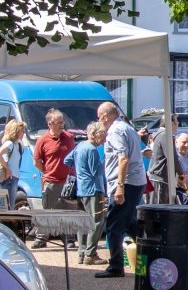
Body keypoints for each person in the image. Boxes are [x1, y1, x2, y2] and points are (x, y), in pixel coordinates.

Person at [95, 102, 148, 279]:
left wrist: (120, 187)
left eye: (99, 117)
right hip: (135, 181)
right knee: (132, 225)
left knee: (114, 226)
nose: (99, 121)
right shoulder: (127, 127)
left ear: (105, 116)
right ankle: (147, 261)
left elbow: (123, 158)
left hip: (127, 183)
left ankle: (116, 266)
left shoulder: (116, 131)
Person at [32, 108, 77, 247]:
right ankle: (41, 239)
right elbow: (37, 161)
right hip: (51, 181)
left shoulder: (69, 137)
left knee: (69, 212)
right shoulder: (43, 140)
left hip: (68, 182)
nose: (62, 124)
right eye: (59, 122)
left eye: (62, 121)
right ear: (50, 124)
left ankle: (69, 239)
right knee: (47, 211)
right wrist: (47, 171)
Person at [66, 121, 107, 264]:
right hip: (93, 189)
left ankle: (81, 253)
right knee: (96, 221)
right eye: (103, 135)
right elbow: (96, 171)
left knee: (82, 222)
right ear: (96, 135)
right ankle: (90, 254)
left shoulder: (79, 147)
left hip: (81, 189)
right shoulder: (92, 149)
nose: (105, 138)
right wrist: (105, 163)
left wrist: (80, 170)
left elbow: (67, 160)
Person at [146, 113, 181, 205]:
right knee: (159, 210)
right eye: (177, 122)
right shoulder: (165, 135)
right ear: (171, 124)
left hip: (161, 179)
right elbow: (171, 157)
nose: (178, 125)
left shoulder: (162, 134)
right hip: (159, 179)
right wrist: (181, 173)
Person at [0, 120, 24, 211]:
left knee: (10, 207)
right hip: (8, 178)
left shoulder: (18, 144)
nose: (23, 133)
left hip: (14, 177)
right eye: (22, 131)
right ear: (16, 131)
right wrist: (7, 168)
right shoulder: (9, 144)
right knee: (5, 208)